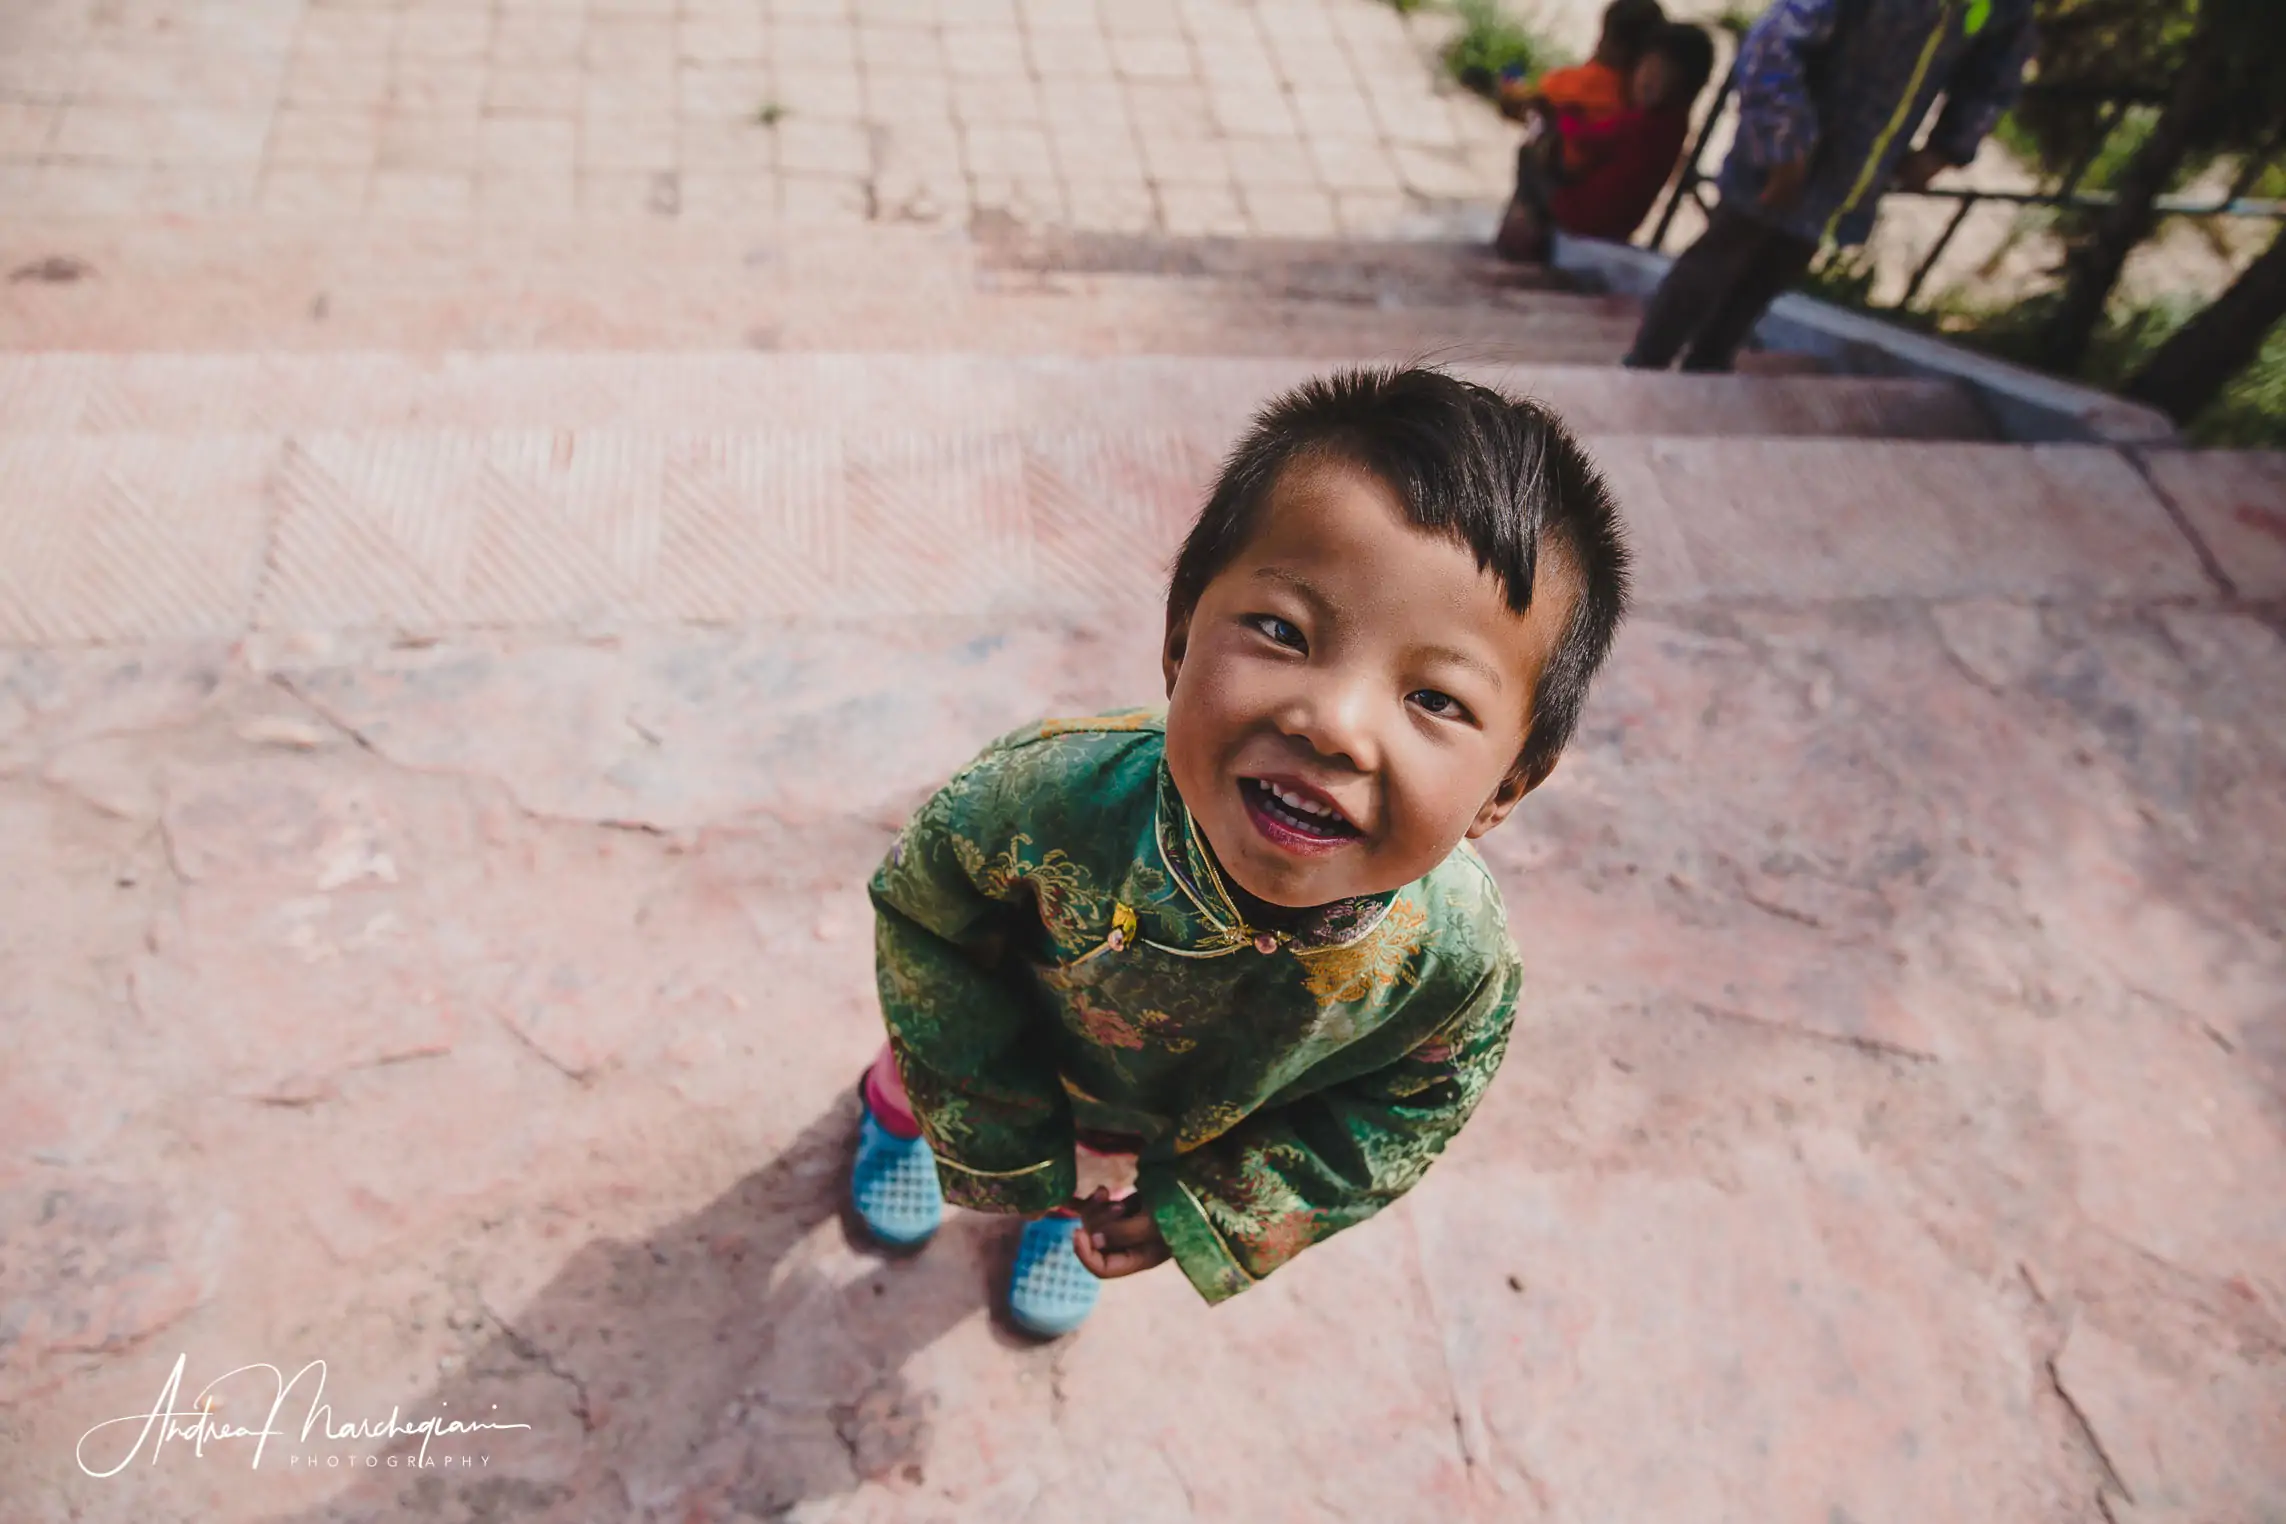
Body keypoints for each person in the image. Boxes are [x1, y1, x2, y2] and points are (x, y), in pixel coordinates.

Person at [847, 367, 1631, 1337]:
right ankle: (898, 1123)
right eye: (1282, 631)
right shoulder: (1041, 802)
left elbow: (1407, 1108)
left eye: (1434, 698)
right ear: (1180, 637)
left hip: (1168, 1124)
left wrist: (1210, 1210)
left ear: (1506, 788)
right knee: (918, 1082)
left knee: (1094, 1177)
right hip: (1011, 1048)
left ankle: (1075, 1209)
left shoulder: (1458, 963)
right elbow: (931, 930)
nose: (1335, 723)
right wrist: (1001, 1139)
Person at [1624, 0, 2036, 372]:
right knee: (1724, 250)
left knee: (1780, 262)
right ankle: (1646, 365)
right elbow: (1775, 43)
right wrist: (1783, 144)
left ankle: (1708, 366)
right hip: (1786, 145)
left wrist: (1946, 147)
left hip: (1857, 163)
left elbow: (1995, 74)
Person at [1496, 21, 1718, 261]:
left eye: (1660, 74)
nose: (1646, 79)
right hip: (1619, 224)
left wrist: (1565, 113)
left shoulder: (1641, 124)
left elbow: (1584, 139)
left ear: (1682, 86)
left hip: (1581, 215)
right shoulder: (1676, 125)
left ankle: (1520, 241)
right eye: (1646, 68)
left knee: (1530, 159)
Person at [1497, 0, 1667, 131]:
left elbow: (1531, 100)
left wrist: (1512, 91)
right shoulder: (1640, 102)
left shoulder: (1582, 83)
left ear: (1612, 44)